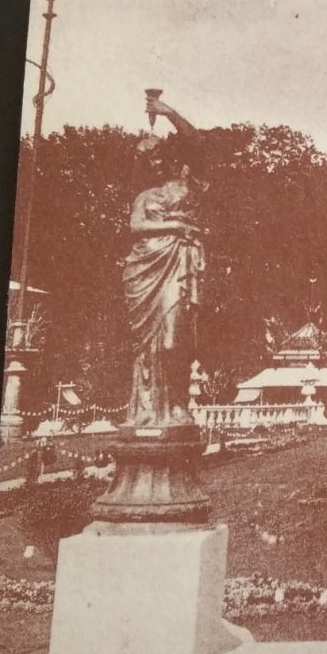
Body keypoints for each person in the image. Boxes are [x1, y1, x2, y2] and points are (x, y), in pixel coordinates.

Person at [122, 97, 204, 428]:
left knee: (174, 340)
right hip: (143, 269)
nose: (154, 159)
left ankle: (177, 405)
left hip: (178, 266)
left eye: (157, 152)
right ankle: (147, 410)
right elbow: (135, 226)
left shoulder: (189, 182)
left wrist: (167, 112)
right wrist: (177, 225)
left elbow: (195, 140)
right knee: (145, 345)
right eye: (147, 155)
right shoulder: (145, 196)